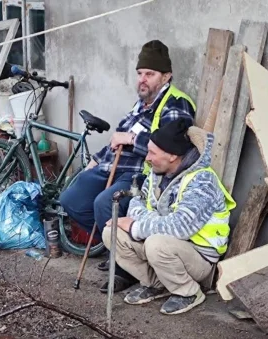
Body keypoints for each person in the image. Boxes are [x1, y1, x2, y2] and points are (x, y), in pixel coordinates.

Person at [60, 40, 196, 293]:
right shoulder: (140, 104)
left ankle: (124, 269)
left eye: (150, 74)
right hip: (112, 166)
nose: (143, 79)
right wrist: (96, 160)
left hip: (140, 173)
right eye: (140, 73)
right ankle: (117, 247)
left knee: (104, 203)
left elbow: (174, 150)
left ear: (166, 76)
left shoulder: (175, 104)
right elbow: (117, 138)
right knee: (71, 197)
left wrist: (133, 139)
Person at [102, 118, 236, 315]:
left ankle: (188, 292)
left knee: (156, 243)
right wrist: (143, 221)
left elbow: (180, 227)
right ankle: (157, 284)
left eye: (152, 153)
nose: (146, 157)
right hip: (167, 246)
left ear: (172, 156)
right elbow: (136, 203)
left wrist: (136, 227)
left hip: (199, 256)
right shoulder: (157, 174)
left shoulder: (202, 181)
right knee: (110, 233)